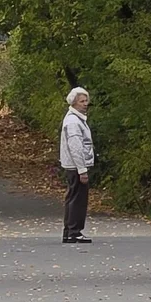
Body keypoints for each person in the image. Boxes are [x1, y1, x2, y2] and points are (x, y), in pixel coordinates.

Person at [59, 86, 95, 244]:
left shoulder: (76, 119)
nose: (85, 103)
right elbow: (75, 147)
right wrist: (82, 170)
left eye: (86, 100)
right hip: (76, 167)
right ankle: (74, 231)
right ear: (73, 103)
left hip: (74, 166)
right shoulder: (73, 122)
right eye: (82, 101)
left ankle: (69, 231)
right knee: (77, 200)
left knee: (73, 197)